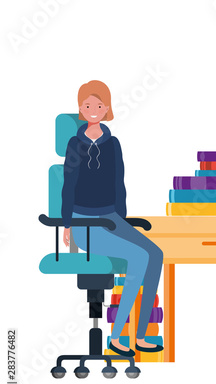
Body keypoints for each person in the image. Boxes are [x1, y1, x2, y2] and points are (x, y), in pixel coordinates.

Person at [61, 80, 164, 357]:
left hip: (110, 217)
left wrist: (123, 221)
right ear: (80, 109)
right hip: (86, 223)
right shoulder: (74, 144)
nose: (93, 109)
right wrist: (67, 222)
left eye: (98, 105)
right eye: (87, 105)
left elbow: (119, 183)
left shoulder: (113, 143)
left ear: (107, 108)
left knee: (155, 253)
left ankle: (141, 335)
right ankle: (117, 337)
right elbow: (68, 184)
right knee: (138, 257)